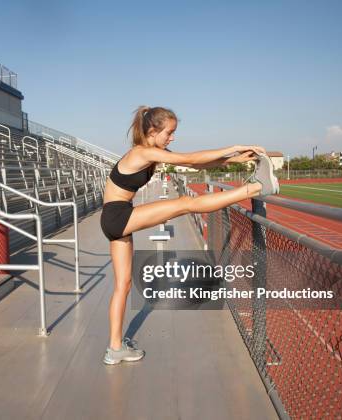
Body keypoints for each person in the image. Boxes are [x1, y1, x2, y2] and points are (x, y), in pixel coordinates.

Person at [100, 106, 279, 365]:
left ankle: (114, 349)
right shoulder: (143, 152)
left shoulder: (153, 152)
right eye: (169, 133)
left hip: (114, 217)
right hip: (118, 216)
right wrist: (235, 147)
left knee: (123, 285)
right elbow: (191, 159)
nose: (172, 138)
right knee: (185, 203)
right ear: (152, 131)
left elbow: (199, 162)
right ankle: (257, 187)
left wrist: (236, 159)